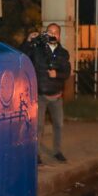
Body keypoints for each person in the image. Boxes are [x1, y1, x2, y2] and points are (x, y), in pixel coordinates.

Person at [28, 23, 71, 164]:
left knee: (58, 125)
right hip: (40, 95)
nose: (53, 34)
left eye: (56, 32)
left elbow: (67, 73)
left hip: (57, 96)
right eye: (50, 32)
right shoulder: (37, 50)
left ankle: (57, 151)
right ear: (46, 34)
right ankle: (36, 154)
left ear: (59, 35)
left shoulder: (63, 53)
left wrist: (57, 74)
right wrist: (28, 40)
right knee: (38, 126)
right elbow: (23, 54)